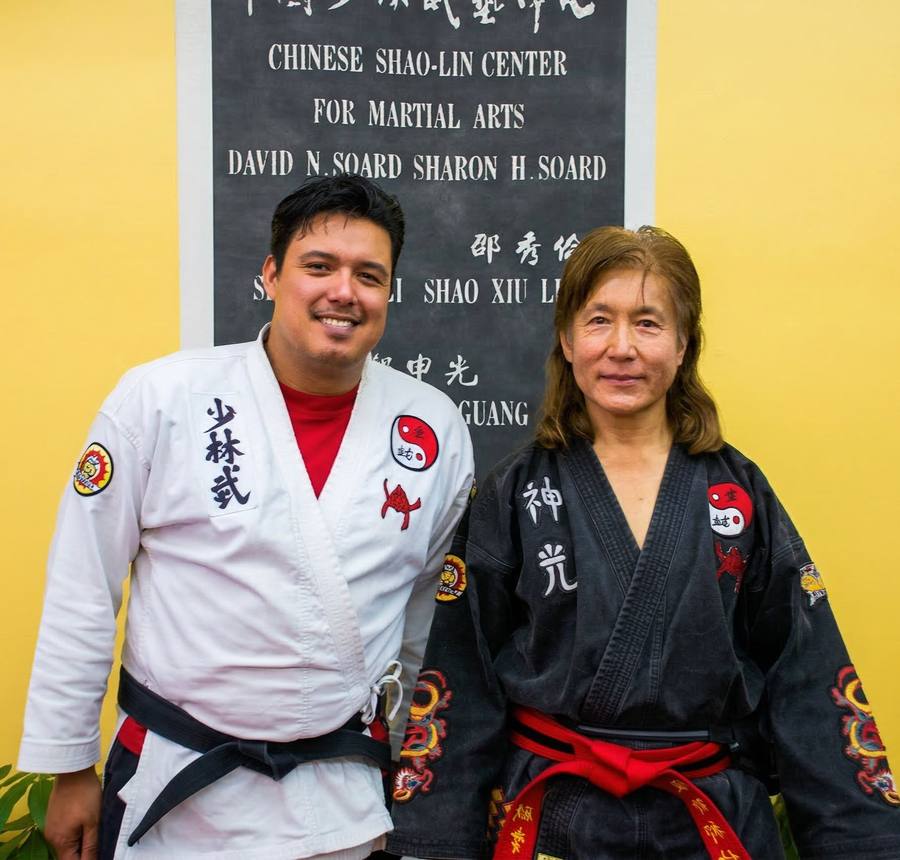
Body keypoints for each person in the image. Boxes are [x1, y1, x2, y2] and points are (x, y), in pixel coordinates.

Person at [386, 226, 900, 859]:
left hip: (708, 819)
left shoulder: (737, 495)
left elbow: (808, 676)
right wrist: (436, 842)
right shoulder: (515, 493)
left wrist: (860, 841)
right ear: (567, 340)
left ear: (684, 345)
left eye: (649, 324)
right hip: (556, 823)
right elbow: (459, 681)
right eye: (599, 319)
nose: (622, 347)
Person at [18, 174, 474, 860]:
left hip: (345, 798)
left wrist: (412, 763)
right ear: (270, 274)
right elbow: (83, 587)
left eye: (369, 275)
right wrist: (70, 766)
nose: (343, 291)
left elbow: (425, 620)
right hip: (177, 792)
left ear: (388, 292)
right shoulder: (162, 398)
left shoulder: (431, 425)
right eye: (318, 266)